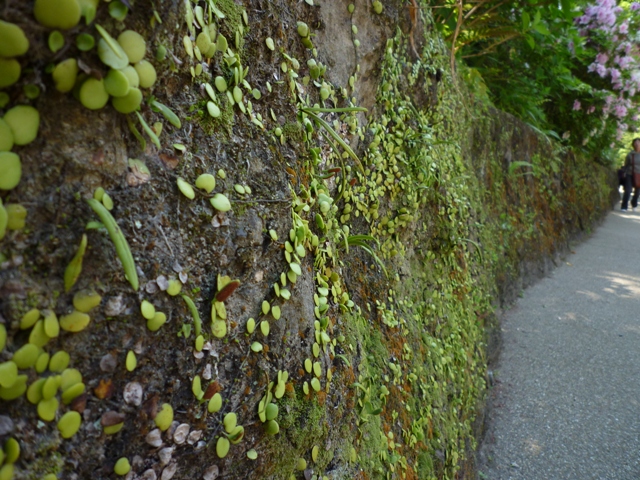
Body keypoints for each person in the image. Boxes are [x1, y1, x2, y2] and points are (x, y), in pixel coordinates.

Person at [621, 137, 640, 211]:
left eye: (638, 142)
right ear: (633, 145)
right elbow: (626, 165)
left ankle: (634, 203)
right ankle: (624, 206)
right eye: (635, 143)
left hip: (639, 175)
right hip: (630, 174)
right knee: (628, 191)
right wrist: (623, 173)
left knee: (637, 193)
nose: (637, 144)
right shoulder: (630, 154)